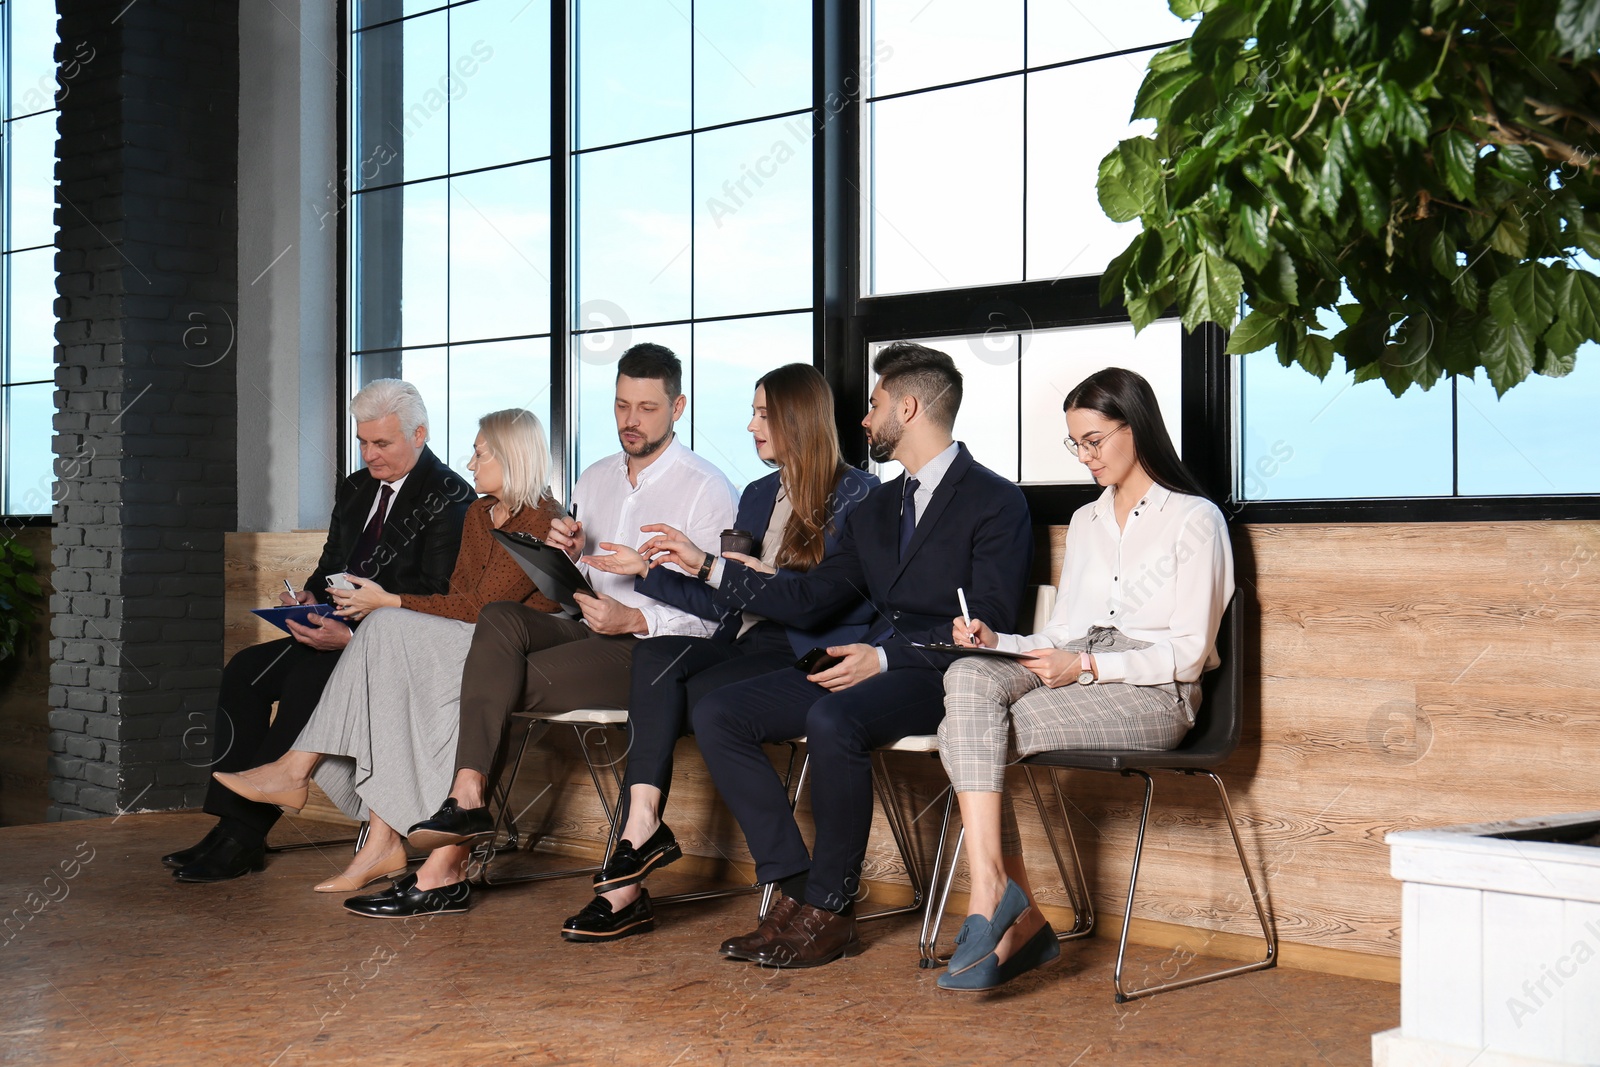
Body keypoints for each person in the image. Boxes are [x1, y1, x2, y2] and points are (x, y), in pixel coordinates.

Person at [343, 342, 740, 919]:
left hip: (651, 648)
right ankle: (467, 796)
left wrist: (636, 617)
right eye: (622, 404)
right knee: (500, 620)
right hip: (586, 627)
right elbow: (579, 581)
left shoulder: (707, 487)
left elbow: (717, 608)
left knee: (486, 682)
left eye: (647, 408)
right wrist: (571, 556)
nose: (631, 420)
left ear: (678, 408)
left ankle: (444, 866)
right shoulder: (596, 476)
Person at [679, 342, 1033, 968]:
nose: (864, 422)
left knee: (831, 719)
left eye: (873, 407)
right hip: (870, 664)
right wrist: (709, 568)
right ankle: (792, 890)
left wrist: (889, 661)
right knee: (718, 711)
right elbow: (815, 598)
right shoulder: (874, 508)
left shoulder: (996, 501)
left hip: (946, 677)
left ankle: (831, 910)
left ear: (909, 406)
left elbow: (993, 628)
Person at [934, 366, 1234, 990]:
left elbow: (1187, 652)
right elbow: (1063, 633)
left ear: (1138, 427)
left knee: (962, 731)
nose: (1085, 457)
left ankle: (1009, 914)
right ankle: (995, 894)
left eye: (1094, 440)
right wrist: (1000, 643)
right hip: (1081, 664)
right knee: (968, 676)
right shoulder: (1087, 521)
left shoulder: (1194, 520)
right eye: (1076, 444)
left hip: (1156, 692)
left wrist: (1092, 667)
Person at [559, 363, 878, 942]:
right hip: (749, 641)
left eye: (763, 414)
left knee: (702, 704)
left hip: (806, 649)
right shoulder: (758, 495)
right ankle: (641, 829)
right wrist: (647, 569)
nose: (752, 425)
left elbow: (813, 605)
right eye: (753, 412)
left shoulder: (858, 493)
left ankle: (764, 879)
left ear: (796, 420)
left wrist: (726, 570)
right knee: (656, 655)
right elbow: (721, 606)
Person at [211, 409, 564, 900]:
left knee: (385, 629)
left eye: (480, 452)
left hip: (509, 653)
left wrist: (390, 600)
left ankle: (300, 773)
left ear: (512, 456)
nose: (470, 460)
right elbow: (458, 597)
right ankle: (374, 838)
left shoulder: (543, 519)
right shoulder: (483, 514)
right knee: (385, 643)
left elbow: (483, 609)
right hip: (463, 638)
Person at [163, 379, 474, 883]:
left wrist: (353, 638)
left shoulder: (451, 497)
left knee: (309, 684)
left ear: (419, 434)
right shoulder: (355, 489)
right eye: (363, 442)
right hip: (333, 629)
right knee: (243, 671)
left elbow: (435, 597)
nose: (370, 455)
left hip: (390, 648)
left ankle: (242, 838)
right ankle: (227, 825)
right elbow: (331, 565)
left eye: (382, 444)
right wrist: (307, 599)